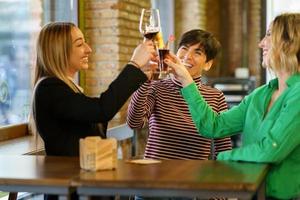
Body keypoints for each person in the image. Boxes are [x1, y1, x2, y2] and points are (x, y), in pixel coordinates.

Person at [166, 13, 300, 199]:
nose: (261, 43)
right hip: (251, 194)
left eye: (269, 34)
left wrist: (222, 159)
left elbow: (271, 149)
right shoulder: (260, 94)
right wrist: (187, 82)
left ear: (290, 42)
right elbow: (212, 126)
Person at [31, 21, 156, 157]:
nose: (89, 49)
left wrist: (140, 73)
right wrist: (134, 64)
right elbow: (102, 110)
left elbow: (95, 116)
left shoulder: (66, 87)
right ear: (58, 51)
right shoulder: (49, 88)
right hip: (68, 175)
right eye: (79, 44)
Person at [127, 29, 232, 161]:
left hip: (194, 177)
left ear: (208, 64)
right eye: (184, 48)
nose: (187, 56)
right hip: (156, 175)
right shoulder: (155, 87)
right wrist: (145, 80)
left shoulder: (216, 97)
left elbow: (223, 148)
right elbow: (134, 123)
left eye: (197, 52)